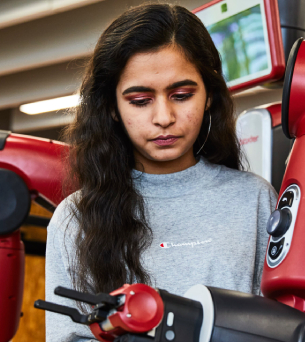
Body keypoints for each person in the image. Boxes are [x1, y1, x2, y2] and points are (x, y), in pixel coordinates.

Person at [43, 4, 276, 341]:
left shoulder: (254, 199)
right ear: (111, 107)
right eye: (140, 100)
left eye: (181, 95)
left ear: (209, 96)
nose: (164, 117)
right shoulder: (74, 219)